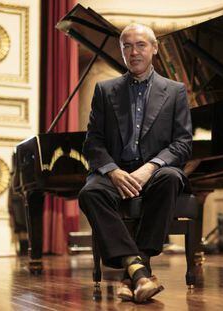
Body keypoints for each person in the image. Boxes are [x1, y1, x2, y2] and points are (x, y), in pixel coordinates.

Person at [78, 23, 192, 303]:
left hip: (153, 171)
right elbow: (93, 142)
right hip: (115, 172)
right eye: (127, 46)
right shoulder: (105, 90)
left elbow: (182, 143)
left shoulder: (175, 90)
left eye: (140, 45)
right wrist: (113, 171)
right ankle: (139, 271)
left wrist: (151, 167)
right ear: (121, 51)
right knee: (89, 192)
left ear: (154, 49)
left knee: (171, 178)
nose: (134, 51)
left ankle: (133, 270)